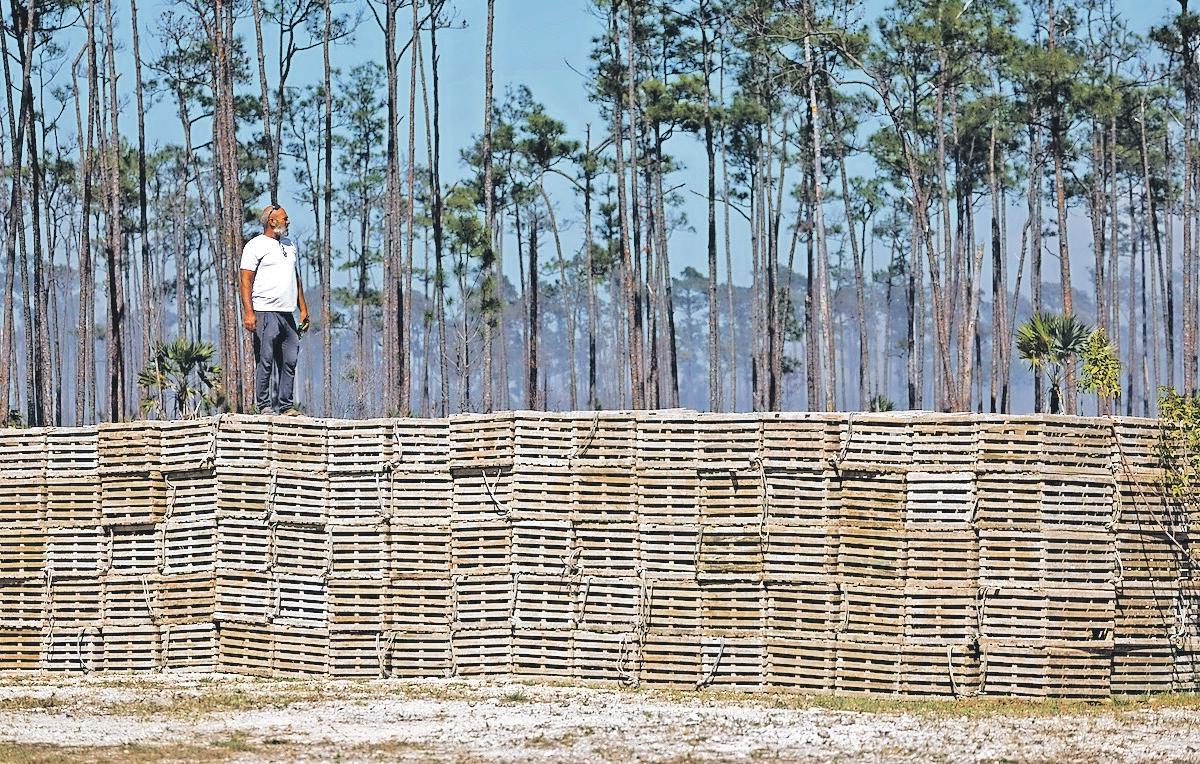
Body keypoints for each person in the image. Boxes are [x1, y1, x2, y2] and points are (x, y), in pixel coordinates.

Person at [239, 204, 309, 415]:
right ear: (272, 221)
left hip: (287, 313)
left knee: (290, 359)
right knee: (265, 360)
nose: (288, 221)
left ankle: (286, 406)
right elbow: (245, 280)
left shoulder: (289, 245)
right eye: (284, 218)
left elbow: (295, 278)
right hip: (265, 311)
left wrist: (303, 309)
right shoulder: (255, 246)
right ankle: (264, 406)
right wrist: (249, 312)